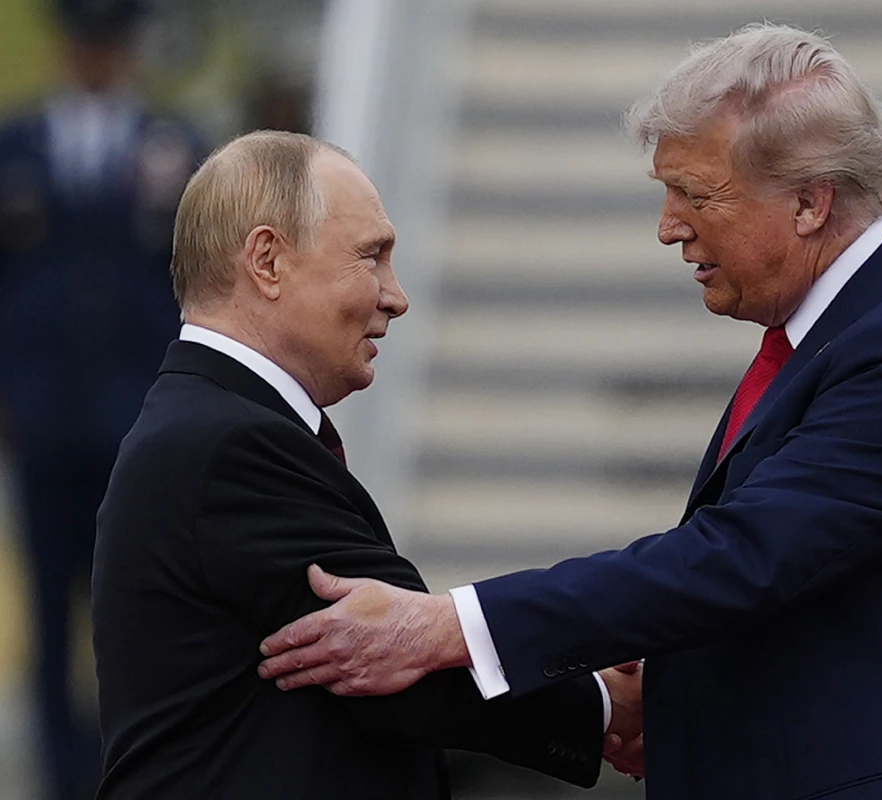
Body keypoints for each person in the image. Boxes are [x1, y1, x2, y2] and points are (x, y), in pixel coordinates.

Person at [259, 24, 882, 800]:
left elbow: (742, 556)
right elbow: (819, 580)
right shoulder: (857, 322)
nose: (668, 229)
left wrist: (449, 626)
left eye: (695, 193)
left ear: (810, 203)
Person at [91, 131, 640, 799]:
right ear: (267, 260)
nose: (396, 296)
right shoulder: (231, 446)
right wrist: (607, 706)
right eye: (371, 257)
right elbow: (398, 663)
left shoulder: (210, 425)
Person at [0, 1, 204, 797]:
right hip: (44, 409)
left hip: (135, 412)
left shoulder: (173, 143)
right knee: (49, 604)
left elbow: (194, 278)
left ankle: (129, 767)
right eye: (86, 42)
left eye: (109, 43)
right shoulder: (18, 144)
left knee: (131, 601)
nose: (97, 58)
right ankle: (60, 773)